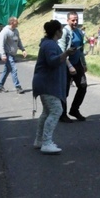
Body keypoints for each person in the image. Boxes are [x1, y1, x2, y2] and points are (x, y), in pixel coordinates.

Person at [33, 20, 76, 154]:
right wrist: (66, 54)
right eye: (61, 29)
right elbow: (52, 61)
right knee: (56, 110)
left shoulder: (49, 43)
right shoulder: (50, 45)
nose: (62, 31)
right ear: (57, 31)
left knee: (47, 112)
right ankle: (46, 143)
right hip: (47, 83)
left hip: (45, 82)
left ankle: (39, 140)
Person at [58, 11, 88, 122]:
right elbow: (62, 51)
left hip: (78, 63)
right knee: (64, 90)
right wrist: (69, 66)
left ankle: (74, 110)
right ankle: (62, 114)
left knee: (83, 86)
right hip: (65, 65)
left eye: (77, 20)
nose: (75, 22)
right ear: (68, 20)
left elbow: (81, 50)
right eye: (73, 20)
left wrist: (83, 63)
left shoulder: (79, 32)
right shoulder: (64, 32)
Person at [0, 17, 28, 93]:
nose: (18, 23)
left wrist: (23, 49)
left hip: (13, 54)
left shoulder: (16, 31)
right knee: (14, 69)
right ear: (12, 22)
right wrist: (3, 55)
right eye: (16, 22)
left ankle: (0, 86)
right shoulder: (5, 32)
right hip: (8, 54)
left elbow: (18, 41)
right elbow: (0, 44)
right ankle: (18, 87)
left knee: (6, 70)